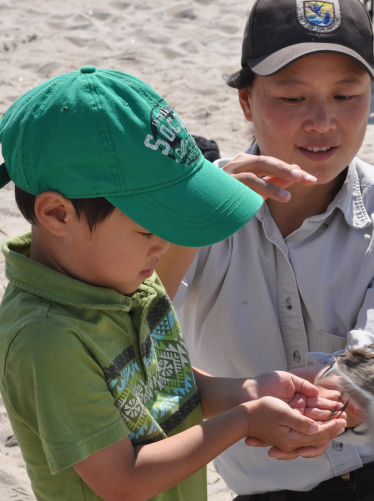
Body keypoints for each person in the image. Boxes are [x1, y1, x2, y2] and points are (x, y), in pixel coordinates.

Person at [157, 0, 374, 499]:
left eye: (347, 94)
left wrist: (324, 399)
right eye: (291, 98)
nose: (322, 121)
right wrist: (199, 216)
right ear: (246, 102)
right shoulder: (192, 217)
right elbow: (134, 328)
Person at [0, 66, 347, 501]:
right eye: (149, 230)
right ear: (56, 215)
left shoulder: (123, 278)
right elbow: (123, 481)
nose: (163, 247)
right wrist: (242, 420)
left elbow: (163, 384)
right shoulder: (47, 338)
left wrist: (251, 389)